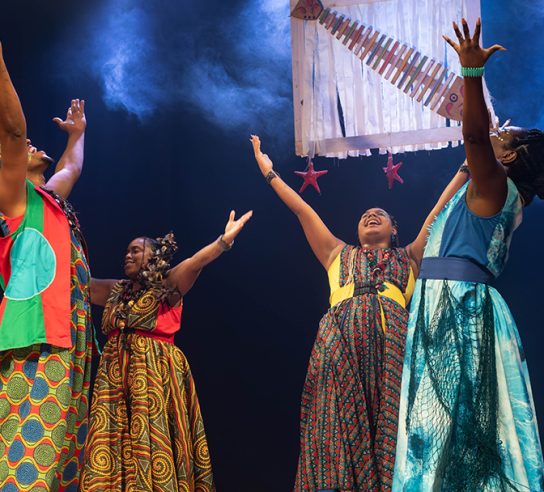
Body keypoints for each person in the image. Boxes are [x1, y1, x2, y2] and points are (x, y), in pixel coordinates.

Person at [393, 18, 544, 491]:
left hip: (460, 307)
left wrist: (471, 76)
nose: (498, 131)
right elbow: (436, 219)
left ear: (510, 159)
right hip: (443, 301)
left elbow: (474, 138)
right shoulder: (484, 189)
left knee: (463, 432)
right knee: (443, 435)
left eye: (506, 135)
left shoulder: (494, 187)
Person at [250, 135, 467, 491]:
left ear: (394, 230)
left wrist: (466, 169)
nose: (370, 215)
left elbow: (439, 212)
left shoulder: (410, 257)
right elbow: (303, 210)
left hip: (393, 350)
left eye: (379, 215)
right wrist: (269, 172)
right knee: (330, 425)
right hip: (339, 346)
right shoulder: (336, 253)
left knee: (395, 426)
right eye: (365, 215)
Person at [79, 211, 251, 491]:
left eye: (136, 250)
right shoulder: (116, 290)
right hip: (113, 381)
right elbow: (80, 284)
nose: (129, 255)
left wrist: (223, 241)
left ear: (153, 256)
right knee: (109, 444)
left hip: (153, 377)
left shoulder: (167, 285)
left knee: (152, 440)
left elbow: (196, 263)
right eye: (127, 251)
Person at [0, 42, 93, 490]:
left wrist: (77, 135)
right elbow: (15, 132)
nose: (35, 145)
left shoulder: (48, 199)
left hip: (65, 338)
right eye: (27, 147)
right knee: (27, 465)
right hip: (32, 339)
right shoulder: (14, 198)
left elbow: (71, 167)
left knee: (56, 465)